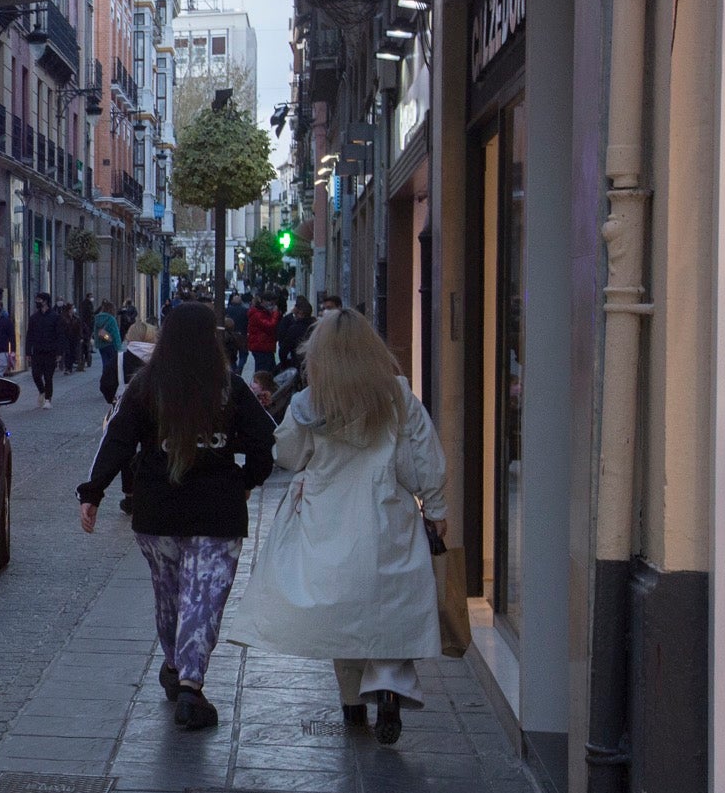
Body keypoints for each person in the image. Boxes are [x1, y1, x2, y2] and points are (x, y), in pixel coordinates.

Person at [227, 309, 448, 746]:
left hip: (328, 516)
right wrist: (436, 506)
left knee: (343, 610)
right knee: (388, 607)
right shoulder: (397, 396)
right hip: (386, 512)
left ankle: (351, 702)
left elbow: (288, 453)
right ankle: (388, 687)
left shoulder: (313, 402)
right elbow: (422, 455)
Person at [78, 302, 276, 728]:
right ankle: (188, 681)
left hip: (158, 509)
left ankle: (178, 669)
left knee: (169, 595)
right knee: (202, 597)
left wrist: (92, 492)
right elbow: (265, 440)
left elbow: (117, 438)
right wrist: (246, 479)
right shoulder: (230, 387)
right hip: (216, 510)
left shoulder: (146, 386)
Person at [113, 318, 158, 514]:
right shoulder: (161, 357)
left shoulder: (122, 358)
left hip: (126, 412)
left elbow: (106, 383)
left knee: (126, 451)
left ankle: (130, 494)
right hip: (157, 413)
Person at [25, 292, 60, 408]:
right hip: (37, 351)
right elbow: (29, 335)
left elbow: (59, 335)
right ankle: (42, 390)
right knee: (35, 374)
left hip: (50, 352)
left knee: (48, 376)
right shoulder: (34, 318)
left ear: (45, 301)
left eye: (39, 300)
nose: (37, 302)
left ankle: (47, 399)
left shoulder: (54, 317)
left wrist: (59, 352)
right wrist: (28, 351)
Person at [93, 299, 123, 405]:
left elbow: (95, 333)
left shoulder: (97, 318)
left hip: (102, 345)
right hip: (111, 344)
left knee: (105, 363)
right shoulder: (111, 319)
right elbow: (115, 334)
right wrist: (119, 348)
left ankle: (104, 381)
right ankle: (112, 384)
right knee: (113, 366)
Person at [277, 297, 316, 371]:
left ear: (301, 314)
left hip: (298, 364)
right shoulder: (316, 327)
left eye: (295, 314)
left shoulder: (295, 329)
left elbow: (284, 349)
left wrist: (284, 364)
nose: (294, 317)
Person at [246, 293, 280, 375]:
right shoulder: (258, 314)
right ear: (263, 301)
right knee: (263, 373)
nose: (272, 305)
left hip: (264, 346)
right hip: (261, 346)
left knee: (268, 371)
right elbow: (270, 325)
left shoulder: (263, 312)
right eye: (270, 302)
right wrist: (275, 314)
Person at [224, 293, 251, 374]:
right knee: (243, 354)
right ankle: (239, 368)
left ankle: (234, 370)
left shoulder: (227, 310)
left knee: (231, 356)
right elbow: (248, 322)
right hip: (242, 334)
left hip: (229, 334)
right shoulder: (245, 310)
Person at [59, 303, 82, 375]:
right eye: (72, 308)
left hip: (74, 338)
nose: (74, 309)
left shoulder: (76, 318)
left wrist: (80, 337)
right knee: (67, 352)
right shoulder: (63, 318)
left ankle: (70, 367)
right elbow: (61, 328)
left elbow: (79, 328)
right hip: (66, 337)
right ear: (69, 309)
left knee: (73, 352)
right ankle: (67, 368)